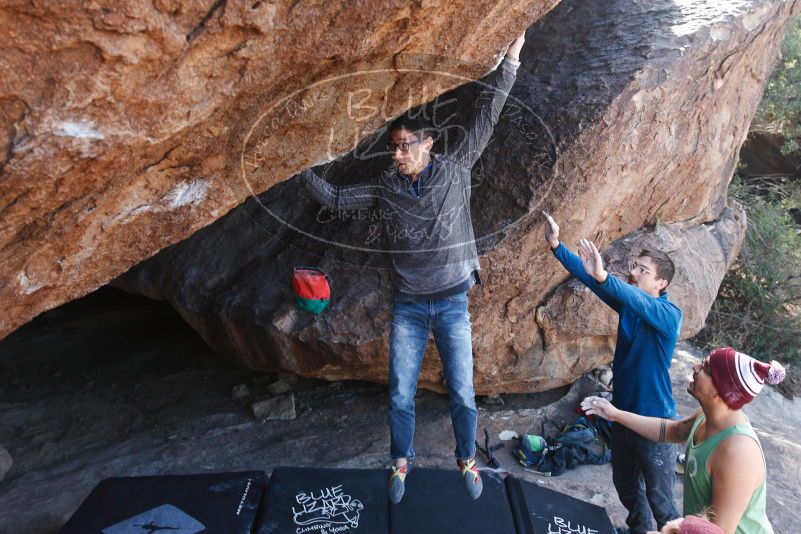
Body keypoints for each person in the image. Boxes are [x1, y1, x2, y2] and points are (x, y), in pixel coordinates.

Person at [300, 32, 527, 504]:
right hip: (407, 306)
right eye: (394, 147)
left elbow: (486, 117)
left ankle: (466, 458)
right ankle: (400, 463)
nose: (397, 154)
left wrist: (511, 60)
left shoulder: (457, 167)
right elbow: (338, 199)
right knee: (400, 395)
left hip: (451, 302)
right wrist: (295, 165)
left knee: (463, 392)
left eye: (405, 146)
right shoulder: (385, 186)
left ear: (428, 143)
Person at [542, 212, 681, 533]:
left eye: (643, 271)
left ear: (662, 283)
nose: (634, 273)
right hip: (620, 414)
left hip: (654, 421)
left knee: (663, 503)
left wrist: (606, 277)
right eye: (634, 266)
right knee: (627, 488)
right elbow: (593, 279)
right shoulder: (630, 305)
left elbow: (623, 291)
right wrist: (556, 245)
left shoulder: (669, 314)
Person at [583, 347, 785, 534]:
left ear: (722, 390)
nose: (695, 367)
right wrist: (615, 414)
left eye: (706, 368)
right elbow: (669, 430)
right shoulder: (706, 417)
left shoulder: (737, 452)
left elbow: (717, 531)